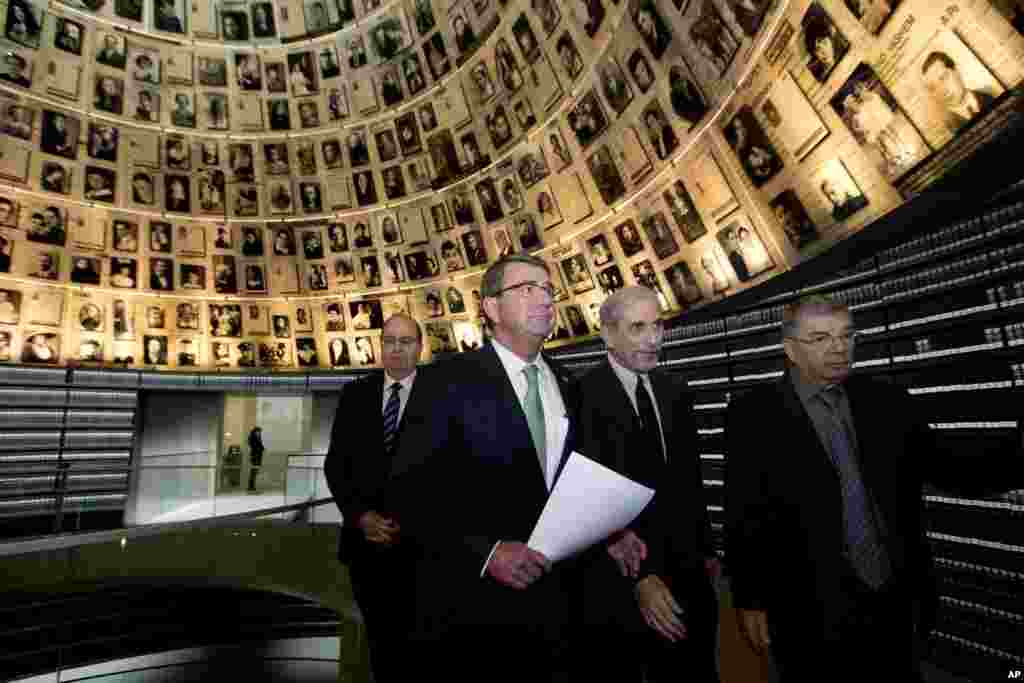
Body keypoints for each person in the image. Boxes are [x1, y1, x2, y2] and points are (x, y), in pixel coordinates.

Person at [725, 295, 1024, 682]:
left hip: (895, 599)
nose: (838, 347)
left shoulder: (888, 401)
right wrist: (750, 599)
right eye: (820, 338)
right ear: (790, 350)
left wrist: (1017, 455)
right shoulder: (752, 415)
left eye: (846, 335)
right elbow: (744, 515)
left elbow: (949, 467)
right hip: (808, 608)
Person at [388, 253, 581, 683]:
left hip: (561, 608)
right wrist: (486, 551)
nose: (546, 299)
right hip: (473, 612)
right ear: (491, 307)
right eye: (527, 288)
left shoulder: (570, 383)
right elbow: (407, 493)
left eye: (549, 289)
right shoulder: (444, 382)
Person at [574, 287, 718, 682]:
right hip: (623, 581)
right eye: (638, 328)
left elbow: (690, 480)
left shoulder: (675, 390)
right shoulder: (580, 397)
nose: (653, 339)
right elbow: (588, 500)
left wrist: (706, 550)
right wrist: (639, 577)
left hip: (691, 572)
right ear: (607, 334)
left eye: (657, 326)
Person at [324, 314, 425, 683]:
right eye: (390, 341)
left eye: (406, 341)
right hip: (364, 546)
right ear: (380, 346)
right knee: (380, 643)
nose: (397, 349)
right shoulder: (355, 394)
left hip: (422, 547)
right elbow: (336, 466)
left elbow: (450, 468)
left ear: (420, 346)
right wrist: (360, 517)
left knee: (422, 644)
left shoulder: (441, 393)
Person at [920, 51, 996, 134]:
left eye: (943, 78)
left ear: (956, 71)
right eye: (933, 88)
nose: (942, 90)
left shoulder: (991, 93)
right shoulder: (947, 130)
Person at [247, 426, 265, 492]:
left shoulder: (257, 438)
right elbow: (255, 447)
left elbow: (260, 447)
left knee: (255, 472)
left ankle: (252, 486)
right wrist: (261, 448)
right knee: (253, 472)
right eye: (258, 432)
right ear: (255, 432)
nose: (259, 433)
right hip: (255, 457)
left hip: (257, 457)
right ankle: (251, 486)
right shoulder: (253, 438)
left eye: (259, 432)